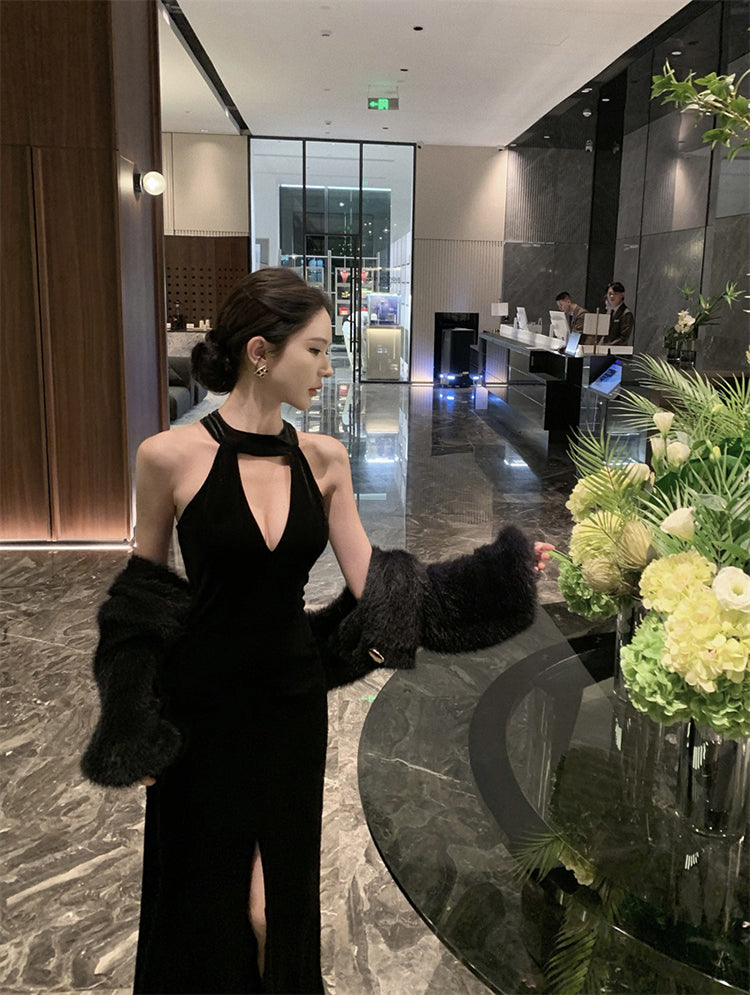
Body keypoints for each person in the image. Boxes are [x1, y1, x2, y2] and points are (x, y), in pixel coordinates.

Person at [81, 267, 552, 995]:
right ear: (260, 352)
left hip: (291, 710)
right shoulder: (166, 456)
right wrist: (129, 714)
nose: (330, 367)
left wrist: (503, 572)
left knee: (277, 911)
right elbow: (141, 596)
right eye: (317, 349)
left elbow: (381, 589)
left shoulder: (324, 459)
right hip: (199, 712)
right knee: (204, 908)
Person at [604, 280, 634, 345]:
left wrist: (608, 346)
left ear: (622, 295)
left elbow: (623, 338)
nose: (612, 296)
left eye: (615, 294)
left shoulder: (626, 313)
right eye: (610, 294)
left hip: (618, 350)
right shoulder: (611, 312)